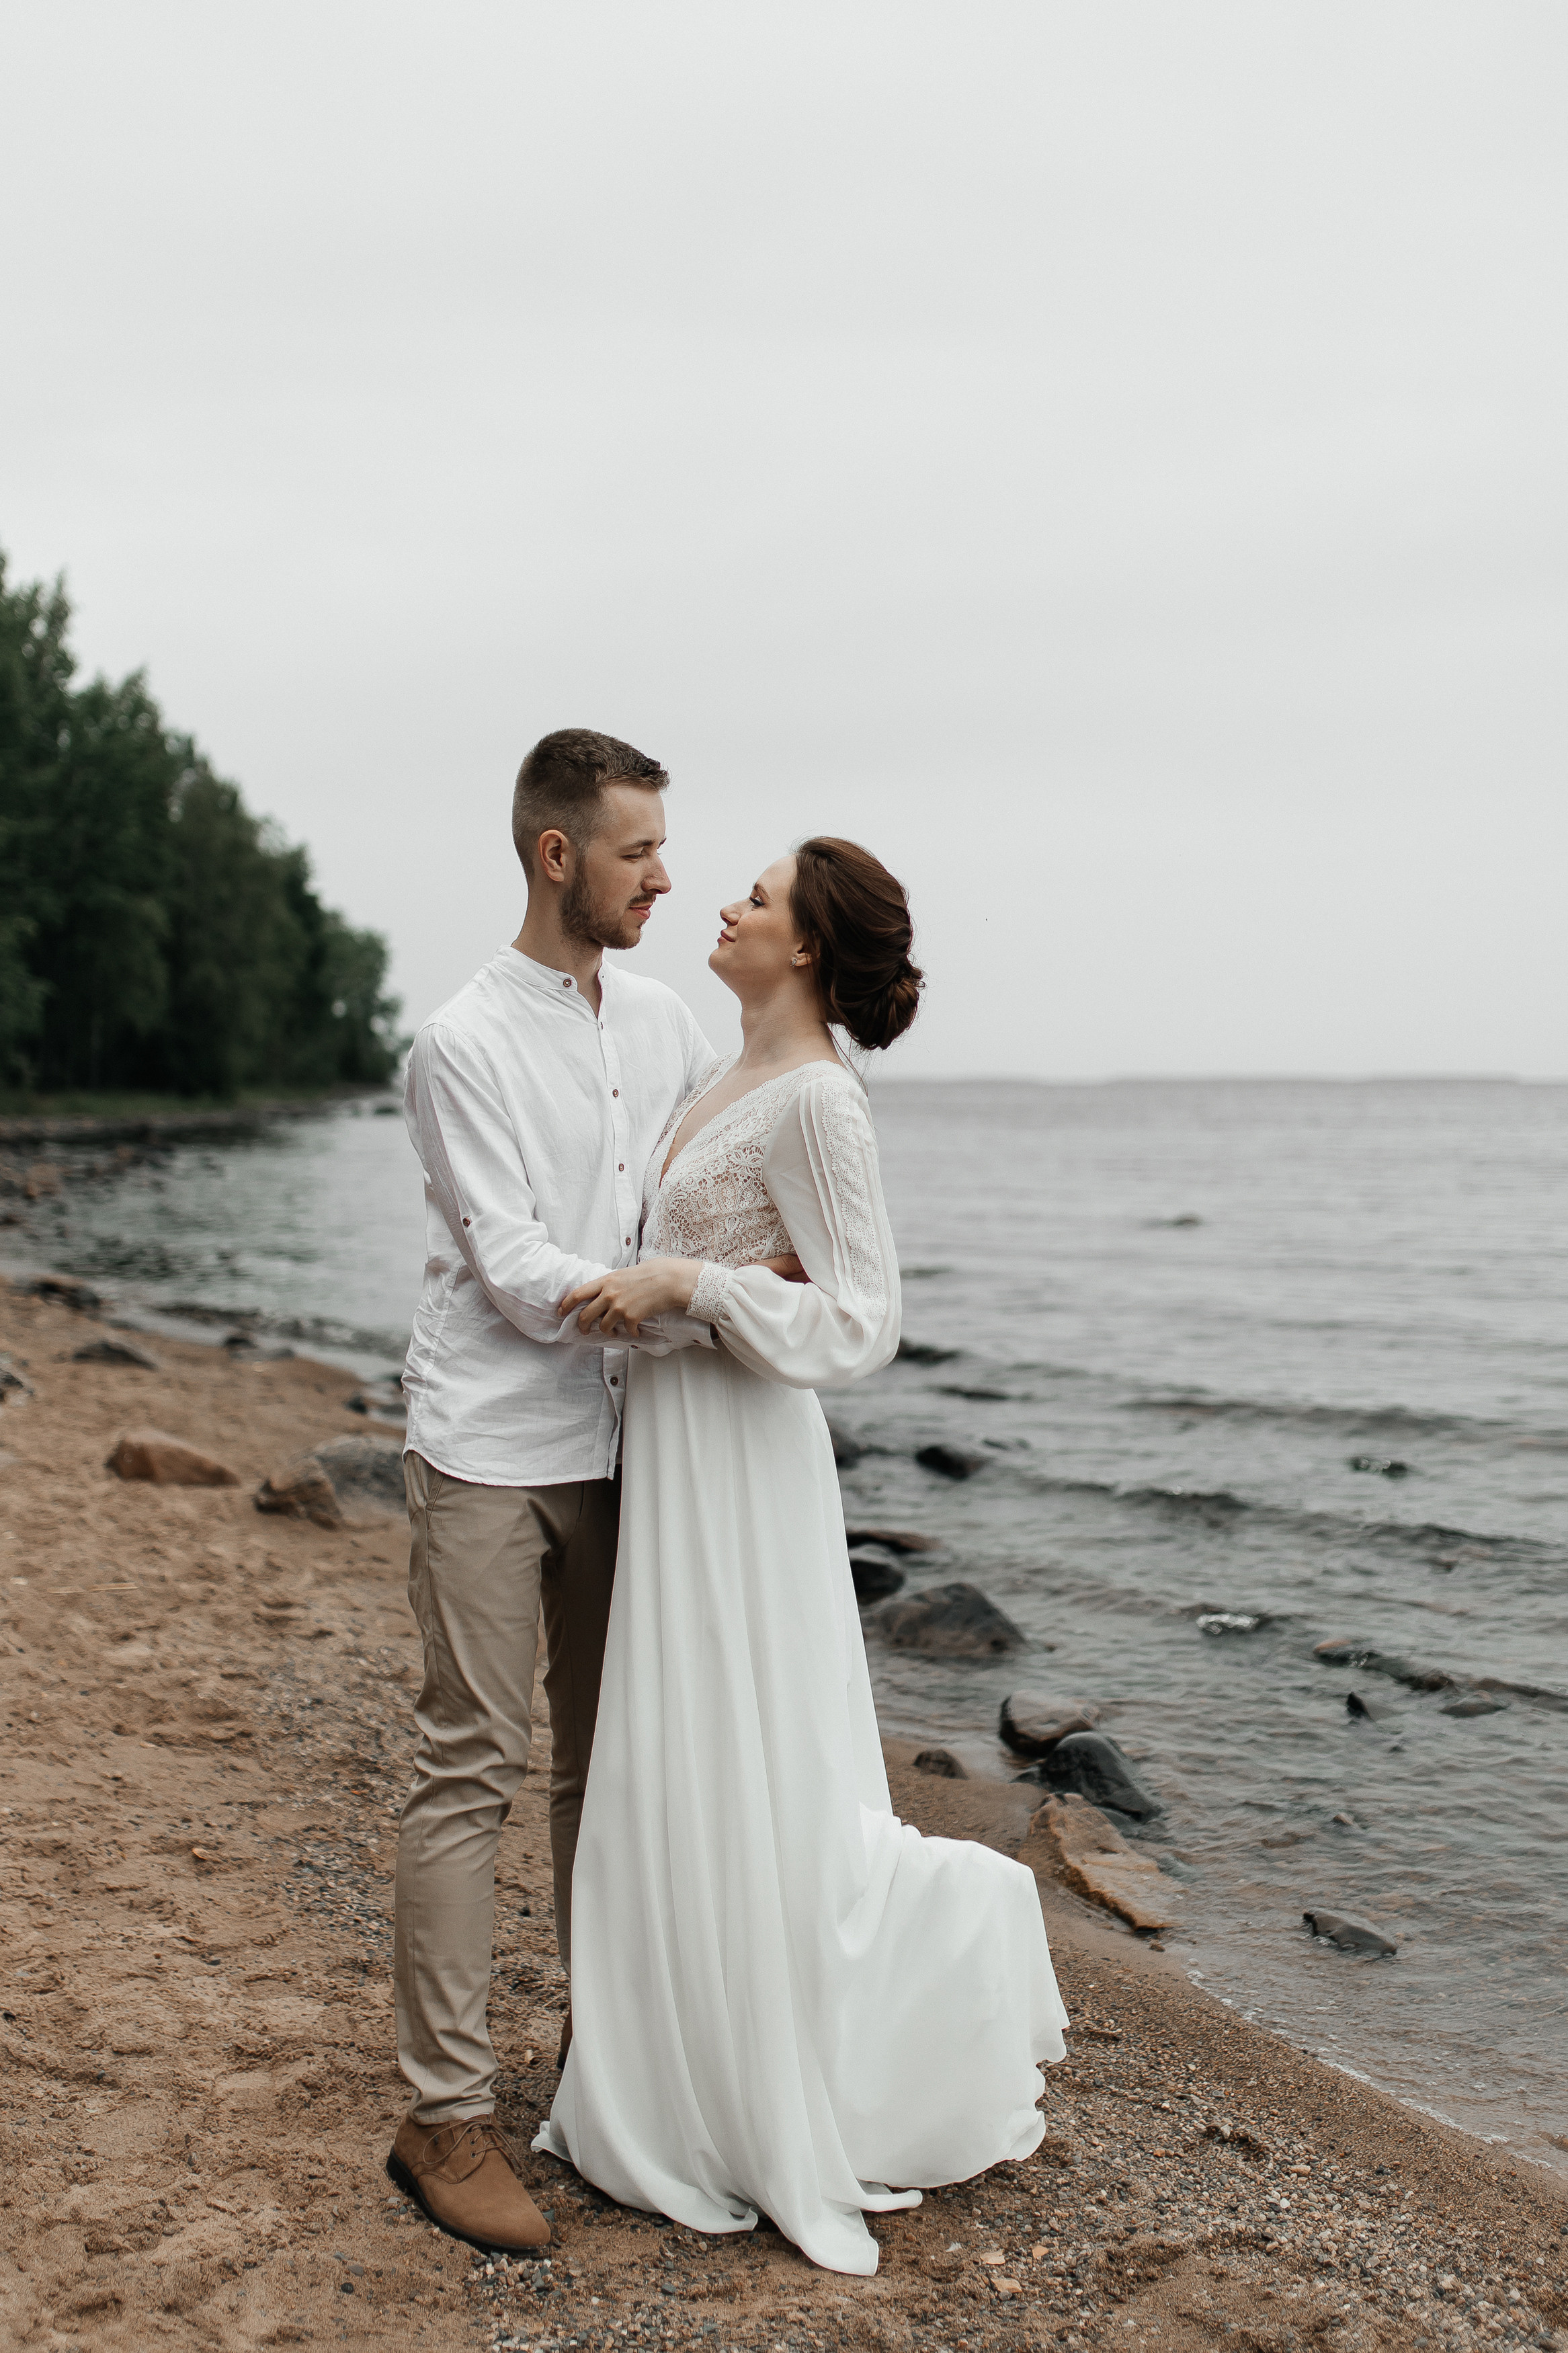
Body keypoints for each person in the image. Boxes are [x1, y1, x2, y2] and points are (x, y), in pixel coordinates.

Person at [534, 838, 1069, 2276]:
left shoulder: (825, 1097)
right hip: (679, 1457)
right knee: (676, 1757)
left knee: (751, 1759)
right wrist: (663, 1294)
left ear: (812, 948)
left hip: (749, 1476)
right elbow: (702, 1275)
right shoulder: (718, 1078)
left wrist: (696, 1284)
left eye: (757, 897)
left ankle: (801, 2062)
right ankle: (669, 2073)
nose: (722, 902)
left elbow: (863, 1321)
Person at [387, 728, 731, 2256]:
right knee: (472, 1766)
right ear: (556, 853)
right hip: (485, 1443)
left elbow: (706, 1191)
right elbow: (522, 1275)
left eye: (663, 847)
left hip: (623, 1443)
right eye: (639, 849)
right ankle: (443, 2115)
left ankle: (608, 2076)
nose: (665, 873)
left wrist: (756, 1278)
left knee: (609, 1771)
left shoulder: (661, 1024)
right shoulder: (460, 1042)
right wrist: (674, 1286)